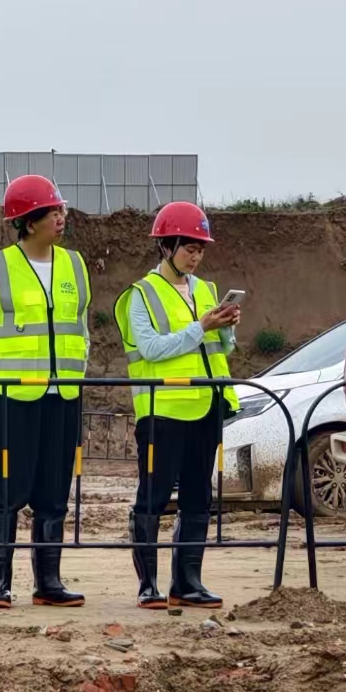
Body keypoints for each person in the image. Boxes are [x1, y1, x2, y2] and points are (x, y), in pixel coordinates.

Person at [0, 174, 90, 608]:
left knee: (54, 492)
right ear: (29, 222)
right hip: (11, 399)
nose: (61, 217)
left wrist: (78, 377)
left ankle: (48, 583)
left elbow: (82, 330)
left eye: (60, 210)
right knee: (5, 493)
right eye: (52, 212)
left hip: (63, 396)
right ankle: (0, 583)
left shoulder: (75, 265)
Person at [116, 200, 241, 610]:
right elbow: (151, 348)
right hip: (163, 411)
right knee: (152, 498)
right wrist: (201, 326)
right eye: (189, 247)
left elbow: (222, 348)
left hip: (206, 406)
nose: (196, 255)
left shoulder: (205, 290)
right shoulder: (141, 294)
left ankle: (187, 583)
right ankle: (148, 586)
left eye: (200, 248)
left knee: (197, 497)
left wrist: (226, 327)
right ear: (166, 246)